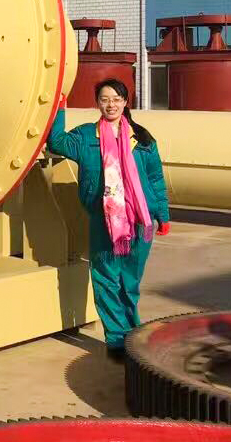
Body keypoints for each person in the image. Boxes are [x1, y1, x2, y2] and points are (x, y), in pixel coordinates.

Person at [46, 78, 170, 359]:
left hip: (141, 221)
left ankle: (132, 333)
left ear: (125, 102)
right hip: (105, 222)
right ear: (98, 104)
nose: (111, 104)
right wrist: (59, 106)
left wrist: (162, 214)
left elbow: (155, 178)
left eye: (116, 99)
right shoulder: (86, 137)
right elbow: (57, 141)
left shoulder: (143, 138)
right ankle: (116, 339)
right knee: (106, 280)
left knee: (130, 281)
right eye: (104, 99)